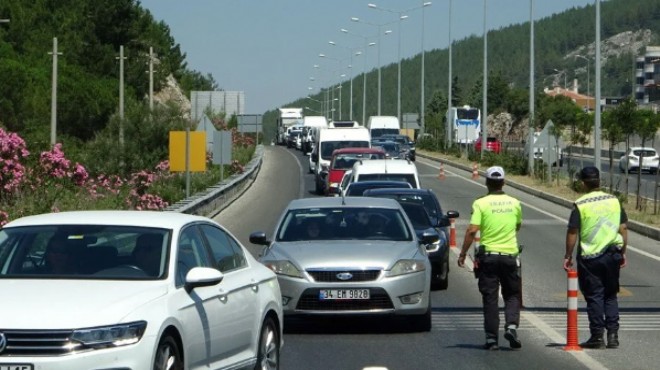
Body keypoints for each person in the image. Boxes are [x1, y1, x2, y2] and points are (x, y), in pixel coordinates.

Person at [457, 166, 523, 351]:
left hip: (489, 258)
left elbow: (472, 230)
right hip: (510, 256)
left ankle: (492, 339)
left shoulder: (481, 203)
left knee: (490, 298)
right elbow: (517, 225)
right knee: (512, 294)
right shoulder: (515, 202)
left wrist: (463, 254)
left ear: (486, 182)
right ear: (504, 182)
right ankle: (511, 326)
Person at [564, 166, 627, 349]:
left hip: (591, 257)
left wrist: (568, 255)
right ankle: (613, 335)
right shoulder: (614, 200)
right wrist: (623, 252)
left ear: (583, 183)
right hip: (613, 253)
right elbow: (623, 228)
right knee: (610, 295)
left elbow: (572, 231)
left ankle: (597, 336)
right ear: (600, 181)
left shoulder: (580, 204)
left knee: (594, 296)